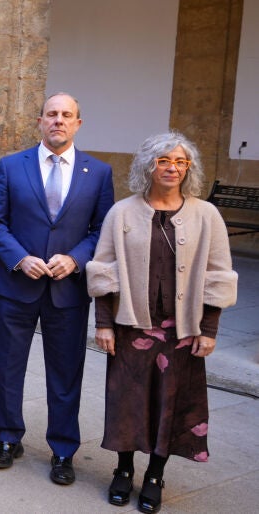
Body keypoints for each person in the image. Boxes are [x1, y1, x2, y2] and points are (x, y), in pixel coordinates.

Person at [87, 133, 237, 513]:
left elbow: (219, 276)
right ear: (148, 166)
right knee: (126, 400)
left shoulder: (206, 215)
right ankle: (123, 469)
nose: (172, 168)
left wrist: (209, 329)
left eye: (180, 161)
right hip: (131, 326)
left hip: (182, 331)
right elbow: (104, 270)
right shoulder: (122, 212)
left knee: (170, 403)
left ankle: (155, 474)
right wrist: (103, 323)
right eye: (164, 161)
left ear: (188, 169)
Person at [0, 92, 114, 484]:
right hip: (17, 286)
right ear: (39, 121)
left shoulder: (99, 172)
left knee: (65, 373)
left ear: (78, 123)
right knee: (9, 368)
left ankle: (63, 449)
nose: (58, 120)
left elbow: (102, 230)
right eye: (51, 114)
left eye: (66, 115)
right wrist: (19, 258)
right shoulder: (12, 165)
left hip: (68, 290)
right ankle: (8, 439)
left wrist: (75, 259)